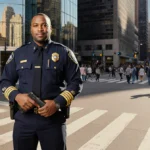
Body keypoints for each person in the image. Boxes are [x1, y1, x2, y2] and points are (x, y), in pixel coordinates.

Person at [0, 13, 82, 150]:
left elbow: (76, 82)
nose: (40, 29)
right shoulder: (19, 53)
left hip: (53, 121)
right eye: (36, 25)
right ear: (31, 29)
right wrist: (17, 96)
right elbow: (5, 82)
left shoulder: (63, 52)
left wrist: (57, 103)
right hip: (24, 120)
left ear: (50, 29)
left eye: (44, 25)